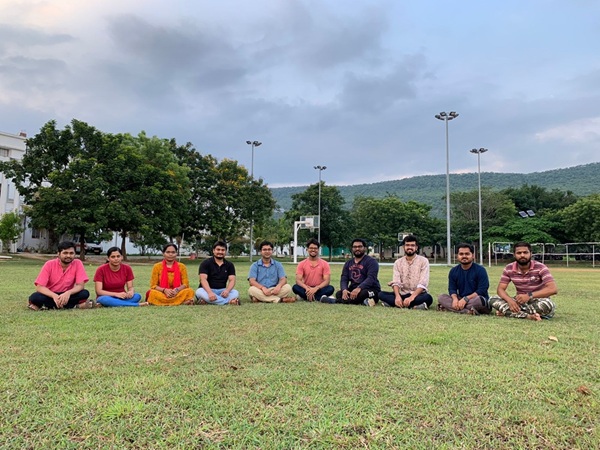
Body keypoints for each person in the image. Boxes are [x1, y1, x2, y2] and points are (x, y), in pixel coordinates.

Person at [489, 241, 557, 321]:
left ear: (531, 254)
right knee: (491, 299)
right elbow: (500, 289)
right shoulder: (509, 268)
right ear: (514, 255)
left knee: (547, 304)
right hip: (519, 301)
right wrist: (510, 301)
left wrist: (529, 295)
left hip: (538, 300)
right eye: (519, 253)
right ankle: (528, 316)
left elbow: (553, 289)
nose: (522, 255)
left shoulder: (541, 267)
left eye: (525, 252)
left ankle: (508, 312)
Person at [28, 240, 91, 310]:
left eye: (71, 253)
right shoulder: (49, 264)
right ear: (58, 254)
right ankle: (73, 306)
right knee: (35, 297)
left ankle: (47, 306)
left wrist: (68, 293)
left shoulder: (77, 263)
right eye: (65, 253)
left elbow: (80, 286)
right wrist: (54, 296)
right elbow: (39, 287)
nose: (68, 256)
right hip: (50, 294)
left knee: (84, 293)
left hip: (67, 295)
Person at [378, 235, 433, 310]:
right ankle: (412, 306)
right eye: (407, 245)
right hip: (402, 294)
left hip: (417, 294)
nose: (410, 247)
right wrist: (397, 297)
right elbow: (396, 282)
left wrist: (411, 298)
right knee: (381, 294)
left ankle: (396, 304)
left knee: (428, 298)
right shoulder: (398, 262)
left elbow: (423, 284)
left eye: (412, 245)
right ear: (403, 247)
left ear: (416, 247)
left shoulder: (423, 261)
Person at [322, 238, 380, 306]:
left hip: (370, 289)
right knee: (339, 294)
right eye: (355, 247)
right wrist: (344, 289)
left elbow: (371, 278)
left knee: (362, 294)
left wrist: (359, 288)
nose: (357, 248)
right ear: (352, 249)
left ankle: (333, 301)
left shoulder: (372, 262)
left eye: (360, 246)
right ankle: (363, 302)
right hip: (353, 289)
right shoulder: (348, 263)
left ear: (365, 248)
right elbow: (344, 278)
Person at [437, 243, 491, 315]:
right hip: (461, 299)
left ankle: (451, 308)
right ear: (457, 256)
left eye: (467, 254)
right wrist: (455, 299)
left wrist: (466, 299)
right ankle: (467, 311)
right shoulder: (453, 271)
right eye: (461, 254)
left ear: (473, 255)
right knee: (441, 297)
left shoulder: (480, 270)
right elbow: (452, 289)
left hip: (476, 299)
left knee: (480, 300)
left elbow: (482, 290)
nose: (464, 256)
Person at [195, 241, 240, 305]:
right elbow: (203, 279)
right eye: (218, 250)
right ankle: (228, 302)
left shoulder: (229, 265)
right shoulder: (205, 263)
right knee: (199, 292)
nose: (220, 252)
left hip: (222, 291)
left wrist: (227, 291)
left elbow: (232, 280)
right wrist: (210, 293)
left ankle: (208, 301)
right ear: (213, 250)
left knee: (235, 292)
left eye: (223, 250)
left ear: (225, 251)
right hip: (207, 290)